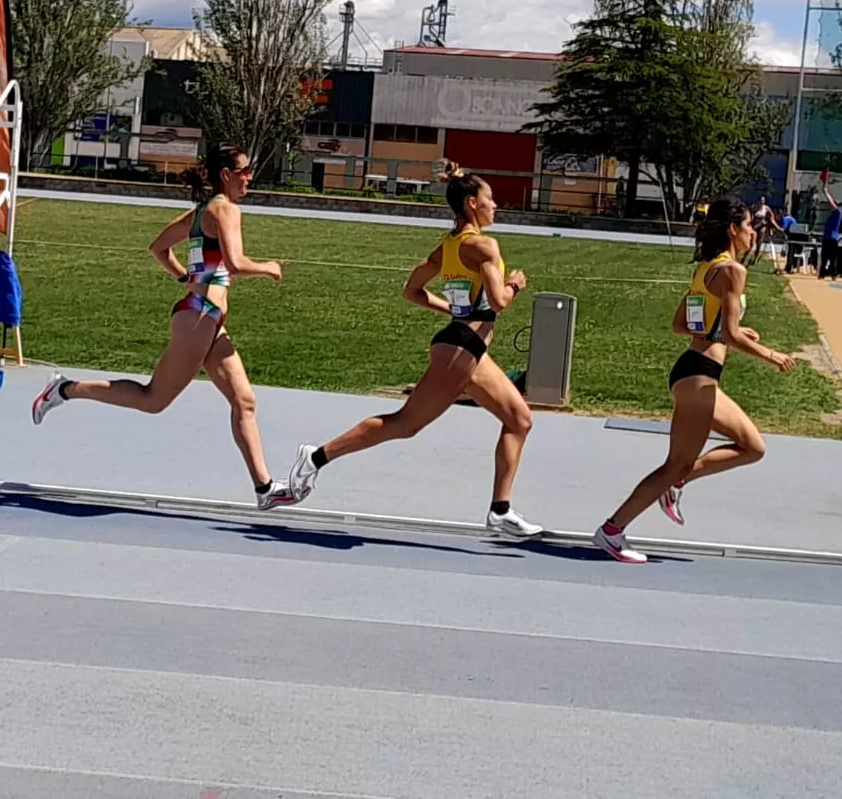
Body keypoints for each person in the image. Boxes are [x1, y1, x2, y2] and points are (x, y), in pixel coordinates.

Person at [30, 145, 298, 510]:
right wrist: (269, 267)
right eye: (245, 170)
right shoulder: (225, 209)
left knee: (245, 401)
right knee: (152, 399)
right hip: (198, 318)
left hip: (207, 320)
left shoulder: (201, 212)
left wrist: (185, 278)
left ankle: (264, 488)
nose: (250, 176)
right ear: (226, 175)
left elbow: (158, 248)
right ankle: (64, 389)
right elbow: (234, 264)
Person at [283, 162, 543, 538]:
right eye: (490, 200)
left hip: (465, 347)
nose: (495, 206)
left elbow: (412, 290)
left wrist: (455, 311)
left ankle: (500, 510)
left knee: (519, 420)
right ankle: (316, 456)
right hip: (460, 351)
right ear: (472, 204)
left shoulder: (448, 247)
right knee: (404, 425)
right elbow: (500, 301)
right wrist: (515, 284)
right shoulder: (485, 246)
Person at [594, 198, 792, 563]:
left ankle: (675, 485)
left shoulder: (706, 269)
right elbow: (729, 335)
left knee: (752, 447)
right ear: (733, 229)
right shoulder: (733, 271)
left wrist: (724, 330)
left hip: (696, 372)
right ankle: (611, 530)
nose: (754, 232)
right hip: (698, 377)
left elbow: (682, 325)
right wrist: (770, 354)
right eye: (750, 225)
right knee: (676, 464)